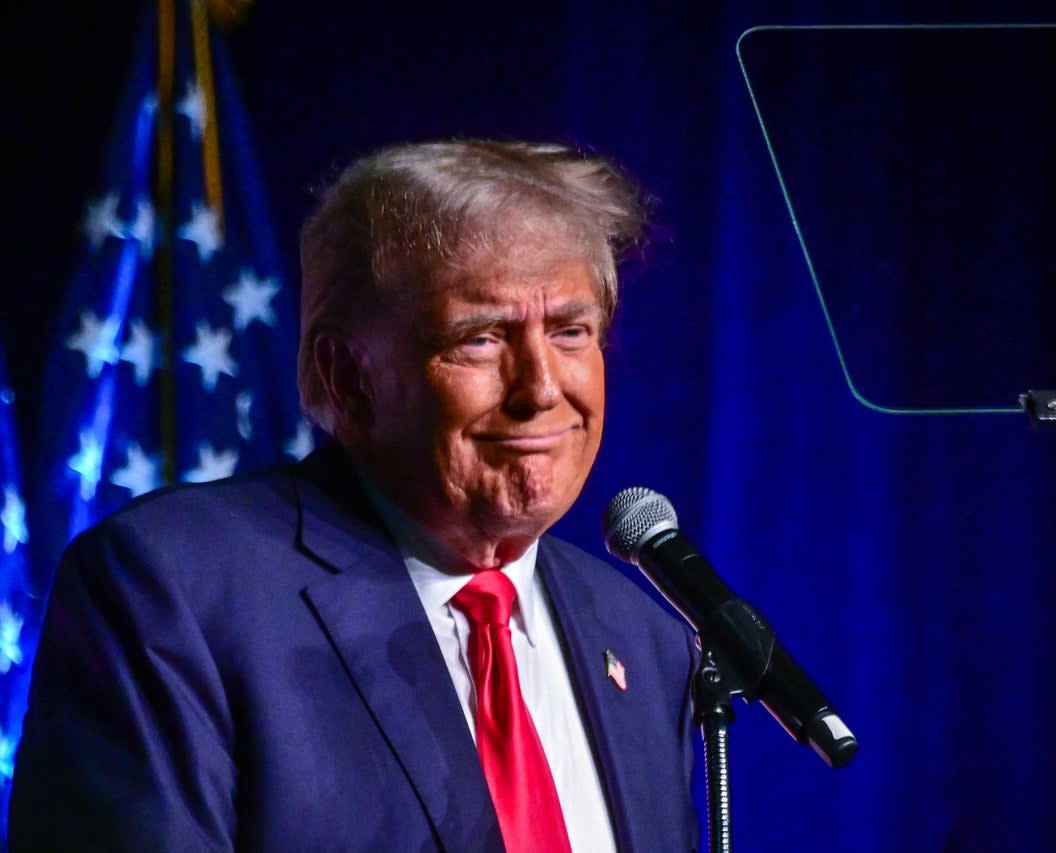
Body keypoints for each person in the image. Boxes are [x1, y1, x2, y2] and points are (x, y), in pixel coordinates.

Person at [8, 140, 700, 851]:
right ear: (345, 374)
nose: (543, 388)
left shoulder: (646, 642)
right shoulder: (173, 592)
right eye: (482, 338)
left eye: (570, 332)